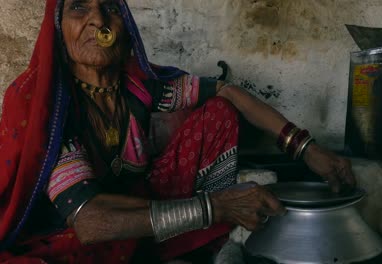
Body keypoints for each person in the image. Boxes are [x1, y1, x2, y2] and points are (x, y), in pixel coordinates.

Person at [0, 0, 355, 263]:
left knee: (219, 111)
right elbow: (90, 221)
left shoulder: (139, 87)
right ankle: (201, 228)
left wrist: (307, 149)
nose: (97, 19)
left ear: (124, 28)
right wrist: (216, 207)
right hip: (79, 230)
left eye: (110, 7)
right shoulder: (49, 103)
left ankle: (197, 234)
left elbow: (226, 91)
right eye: (79, 7)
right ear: (58, 29)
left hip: (143, 206)